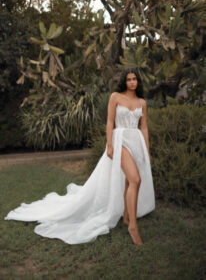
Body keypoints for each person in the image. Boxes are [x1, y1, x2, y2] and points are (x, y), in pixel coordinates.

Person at [5, 67, 155, 246]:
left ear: (138, 81)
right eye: (129, 79)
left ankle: (126, 217)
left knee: (129, 181)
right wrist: (109, 144)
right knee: (135, 179)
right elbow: (109, 121)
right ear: (125, 81)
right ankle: (133, 227)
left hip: (136, 140)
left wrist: (147, 150)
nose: (132, 82)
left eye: (135, 79)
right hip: (120, 139)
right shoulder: (115, 97)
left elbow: (144, 127)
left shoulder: (142, 103)